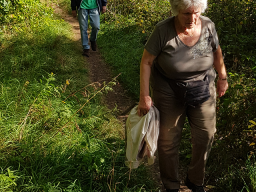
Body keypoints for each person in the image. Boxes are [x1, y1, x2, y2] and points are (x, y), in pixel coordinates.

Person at [137, 0, 228, 191]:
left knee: (206, 135)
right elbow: (146, 62)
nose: (192, 18)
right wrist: (144, 96)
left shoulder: (208, 26)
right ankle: (170, 184)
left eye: (196, 13)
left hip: (203, 88)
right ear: (177, 10)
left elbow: (217, 52)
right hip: (168, 90)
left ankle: (195, 181)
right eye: (187, 13)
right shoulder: (162, 30)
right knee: (168, 141)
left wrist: (222, 77)